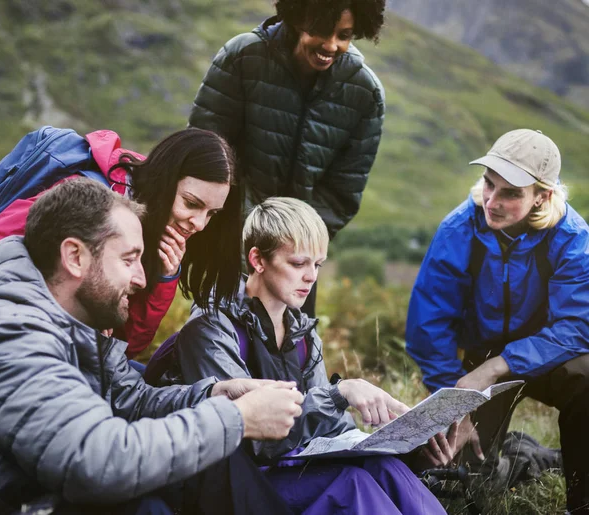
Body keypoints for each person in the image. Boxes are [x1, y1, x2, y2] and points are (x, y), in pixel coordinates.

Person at [0, 178, 304, 514]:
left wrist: (215, 395)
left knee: (211, 461)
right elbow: (97, 462)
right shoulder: (14, 331)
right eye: (129, 259)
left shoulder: (73, 323)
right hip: (23, 502)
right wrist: (237, 419)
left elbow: (131, 401)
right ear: (74, 256)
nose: (141, 278)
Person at [154, 197, 453, 514]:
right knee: (352, 483)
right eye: (298, 264)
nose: (311, 276)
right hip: (235, 482)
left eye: (318, 264)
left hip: (290, 467)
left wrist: (410, 450)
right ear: (257, 260)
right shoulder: (212, 327)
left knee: (383, 466)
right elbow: (250, 434)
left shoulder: (302, 334)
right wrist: (341, 393)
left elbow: (330, 430)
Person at [405, 129, 589, 512]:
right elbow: (428, 325)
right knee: (453, 475)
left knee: (587, 379)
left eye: (510, 193)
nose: (492, 200)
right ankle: (527, 458)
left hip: (547, 355)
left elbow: (575, 327)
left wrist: (496, 367)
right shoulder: (458, 229)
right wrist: (455, 405)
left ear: (543, 195)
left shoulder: (572, 237)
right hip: (476, 361)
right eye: (489, 184)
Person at [188, 0, 386, 316]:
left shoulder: (365, 93)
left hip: (296, 259)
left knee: (287, 355)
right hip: (228, 244)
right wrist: (251, 234)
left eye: (344, 35)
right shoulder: (242, 58)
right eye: (321, 30)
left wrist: (290, 247)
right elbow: (205, 153)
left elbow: (342, 194)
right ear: (297, 16)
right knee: (218, 343)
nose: (331, 45)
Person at [0, 127, 242, 357]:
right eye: (191, 203)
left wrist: (166, 277)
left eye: (211, 213)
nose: (199, 224)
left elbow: (126, 348)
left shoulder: (159, 228)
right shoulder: (87, 196)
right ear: (166, 179)